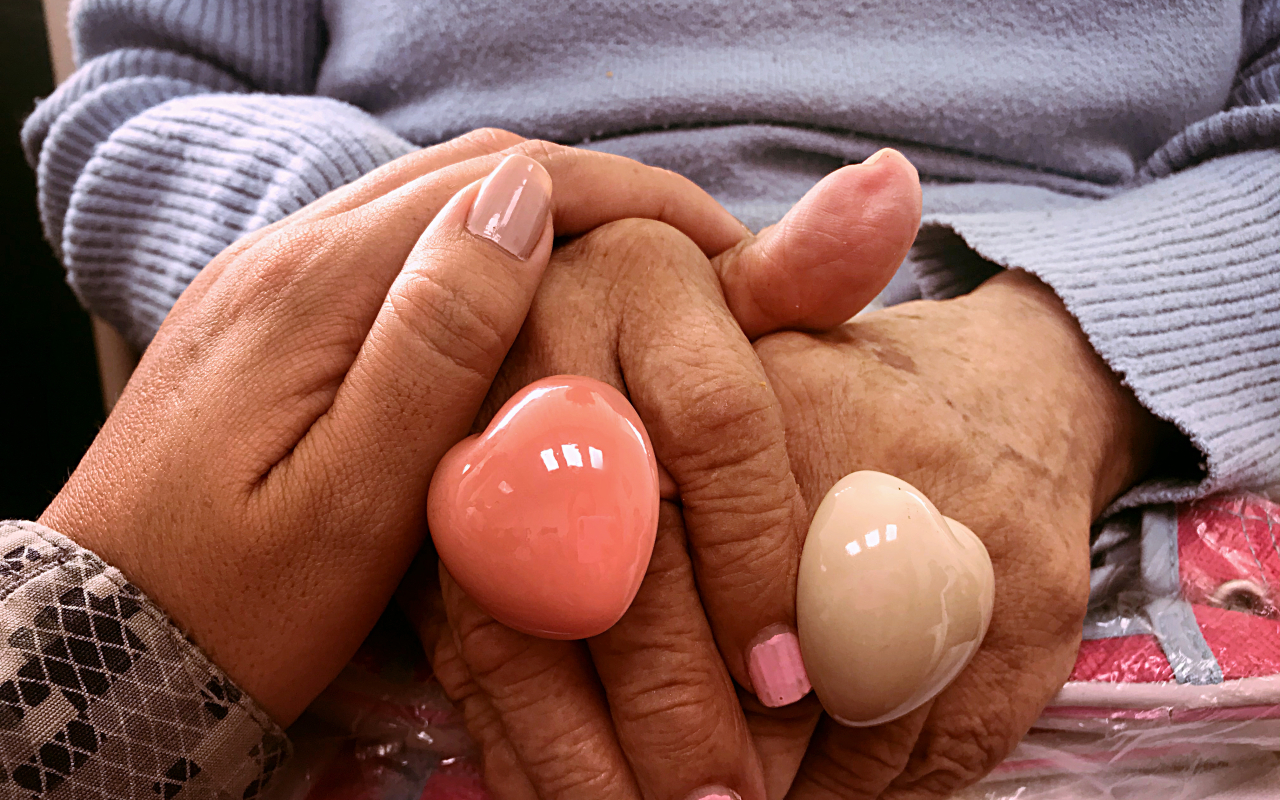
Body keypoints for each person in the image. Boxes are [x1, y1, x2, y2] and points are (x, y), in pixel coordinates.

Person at [16, 0, 1280, 797]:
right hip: (410, 495)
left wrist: (1059, 377)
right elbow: (139, 109)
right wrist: (462, 283)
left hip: (1139, 463)